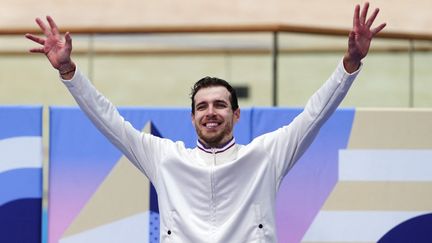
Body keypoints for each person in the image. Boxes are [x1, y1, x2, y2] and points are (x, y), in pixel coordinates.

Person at [26, 2, 385, 242]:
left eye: (219, 104)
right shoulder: (165, 157)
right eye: (202, 106)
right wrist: (69, 71)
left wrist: (349, 64)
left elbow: (315, 115)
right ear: (193, 117)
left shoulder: (266, 154)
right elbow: (108, 120)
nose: (210, 111)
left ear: (236, 114)